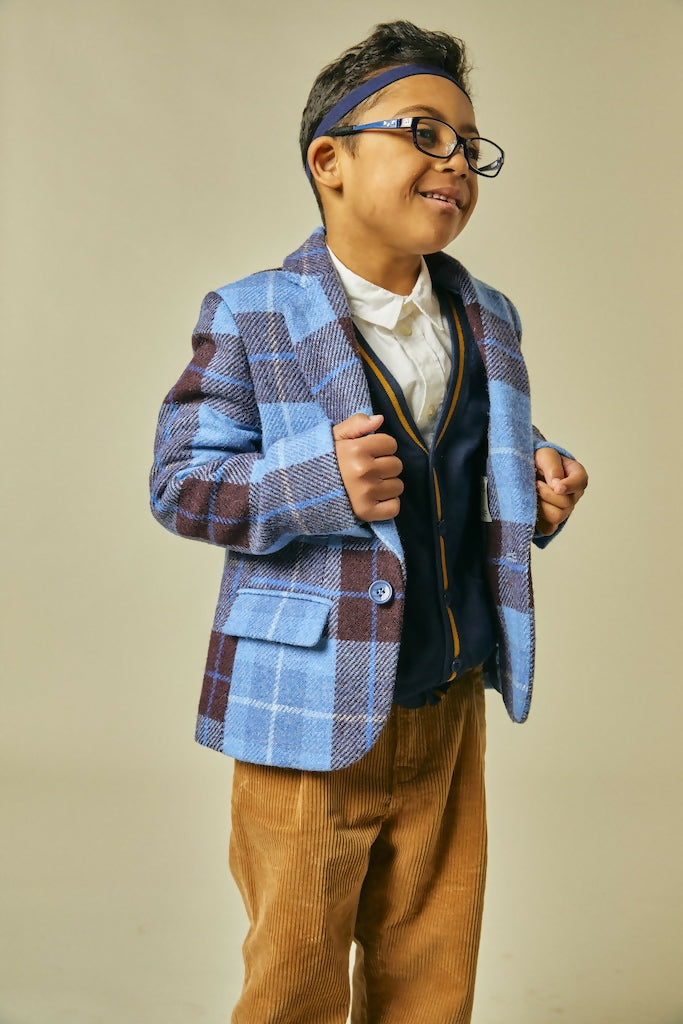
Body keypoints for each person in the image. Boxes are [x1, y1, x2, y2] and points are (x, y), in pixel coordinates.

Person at [149, 20, 587, 1024]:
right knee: (295, 974)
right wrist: (317, 480)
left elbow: (469, 449)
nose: (455, 162)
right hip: (306, 708)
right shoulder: (254, 312)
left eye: (468, 145)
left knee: (432, 968)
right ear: (329, 161)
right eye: (424, 132)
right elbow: (178, 482)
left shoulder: (490, 317)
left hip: (449, 698)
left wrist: (536, 483)